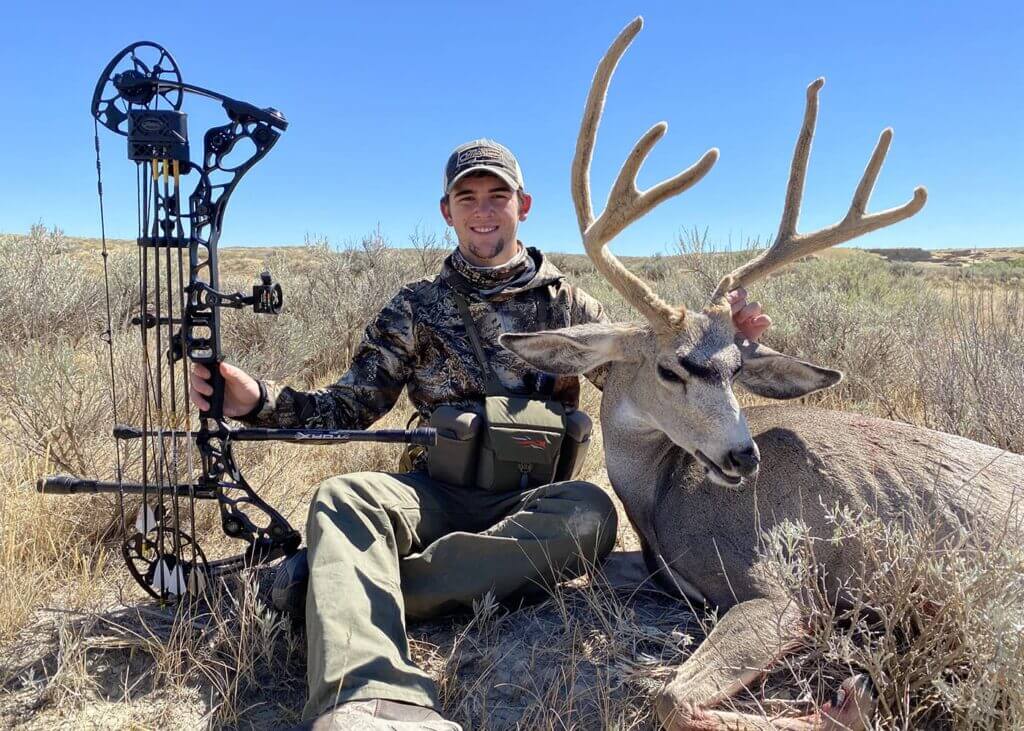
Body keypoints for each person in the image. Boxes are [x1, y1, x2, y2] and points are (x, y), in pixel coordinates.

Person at [189, 139, 771, 730]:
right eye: (467, 197)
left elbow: (659, 376)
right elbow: (348, 405)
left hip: (530, 506)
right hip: (431, 493)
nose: (483, 209)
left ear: (523, 204)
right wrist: (258, 400)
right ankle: (370, 699)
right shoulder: (416, 307)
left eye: (497, 195)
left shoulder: (569, 307)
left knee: (592, 512)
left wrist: (722, 340)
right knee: (344, 497)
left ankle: (338, 584)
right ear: (448, 211)